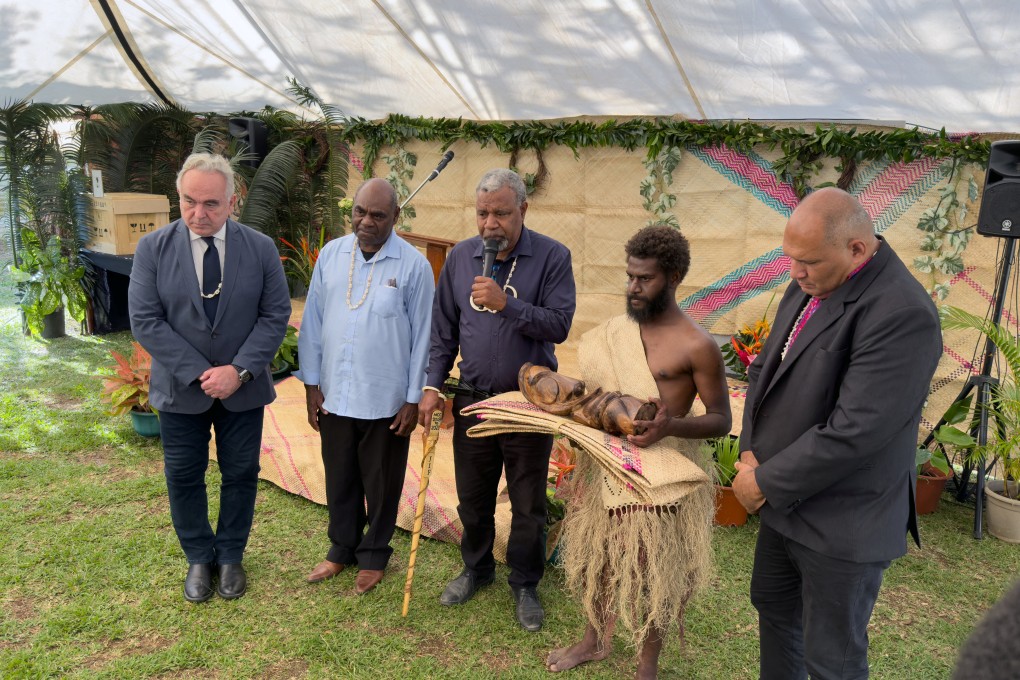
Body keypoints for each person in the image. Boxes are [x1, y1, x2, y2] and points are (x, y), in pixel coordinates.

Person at [733, 187, 942, 679]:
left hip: (842, 520)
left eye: (807, 261)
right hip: (785, 500)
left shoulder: (901, 313)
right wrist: (748, 455)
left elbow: (856, 430)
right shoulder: (810, 281)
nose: (795, 272)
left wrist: (763, 482)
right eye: (790, 259)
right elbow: (764, 372)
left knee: (834, 658)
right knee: (776, 613)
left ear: (856, 249)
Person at [546, 225, 732, 679]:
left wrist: (672, 425)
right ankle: (593, 641)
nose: (632, 287)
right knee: (598, 558)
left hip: (662, 475)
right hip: (607, 465)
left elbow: (722, 419)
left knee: (656, 572)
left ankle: (647, 665)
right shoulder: (613, 333)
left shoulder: (697, 345)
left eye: (644, 278)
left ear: (672, 278)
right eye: (629, 276)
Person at [129, 152, 291, 602]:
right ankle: (199, 556)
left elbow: (275, 314)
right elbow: (145, 320)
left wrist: (238, 371)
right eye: (188, 201)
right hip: (181, 391)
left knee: (241, 472)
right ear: (178, 197)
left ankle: (231, 555)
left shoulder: (258, 248)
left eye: (211, 204)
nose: (198, 213)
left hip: (244, 389)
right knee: (183, 474)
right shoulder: (153, 249)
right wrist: (204, 373)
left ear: (233, 201)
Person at [418, 168, 576, 632]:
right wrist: (432, 385)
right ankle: (476, 568)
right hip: (473, 401)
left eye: (501, 213)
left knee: (527, 502)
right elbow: (443, 332)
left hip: (526, 403)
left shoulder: (552, 257)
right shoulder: (462, 258)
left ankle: (525, 582)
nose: (490, 224)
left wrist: (509, 305)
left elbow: (560, 325)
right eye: (483, 213)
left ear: (523, 210)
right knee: (473, 496)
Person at [295, 178, 434, 595]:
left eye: (377, 215)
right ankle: (341, 549)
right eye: (359, 211)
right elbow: (313, 322)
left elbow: (425, 335)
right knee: (340, 476)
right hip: (335, 391)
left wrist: (413, 398)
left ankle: (374, 555)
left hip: (386, 398)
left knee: (382, 480)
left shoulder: (414, 266)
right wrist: (311, 383)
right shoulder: (332, 255)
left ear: (395, 217)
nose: (366, 221)